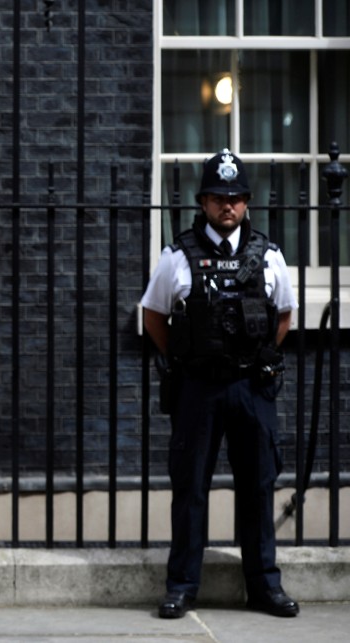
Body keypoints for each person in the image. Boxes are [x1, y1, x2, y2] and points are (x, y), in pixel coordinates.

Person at [141, 150, 299, 619]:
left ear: (246, 202)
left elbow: (284, 315)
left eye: (234, 198)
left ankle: (264, 587)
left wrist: (256, 357)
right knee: (190, 488)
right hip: (199, 389)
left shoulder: (269, 256)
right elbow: (153, 315)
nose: (226, 206)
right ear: (203, 202)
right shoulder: (178, 256)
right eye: (217, 198)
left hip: (251, 387)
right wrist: (184, 358)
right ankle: (183, 586)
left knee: (259, 486)